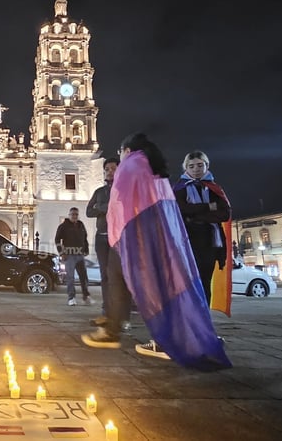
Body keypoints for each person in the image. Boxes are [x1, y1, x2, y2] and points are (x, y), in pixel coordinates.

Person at [81, 132, 231, 371]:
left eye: (120, 153)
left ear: (127, 150)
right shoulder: (154, 171)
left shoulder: (130, 166)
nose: (119, 158)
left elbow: (118, 204)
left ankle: (122, 334)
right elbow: (176, 208)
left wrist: (117, 237)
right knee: (170, 288)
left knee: (128, 283)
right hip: (160, 239)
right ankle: (188, 337)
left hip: (132, 237)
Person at [172, 151, 231, 304]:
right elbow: (180, 209)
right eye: (191, 166)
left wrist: (195, 214)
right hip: (187, 239)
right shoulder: (179, 188)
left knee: (205, 279)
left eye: (200, 165)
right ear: (186, 168)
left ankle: (203, 316)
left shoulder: (214, 188)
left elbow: (225, 213)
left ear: (206, 166)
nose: (196, 169)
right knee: (188, 280)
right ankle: (190, 316)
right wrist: (209, 207)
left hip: (209, 240)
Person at [86, 157, 126, 327]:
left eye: (113, 168)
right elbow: (89, 211)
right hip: (101, 236)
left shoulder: (124, 189)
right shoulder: (99, 191)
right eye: (107, 169)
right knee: (104, 275)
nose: (109, 171)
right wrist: (107, 207)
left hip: (118, 237)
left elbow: (122, 208)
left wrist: (101, 208)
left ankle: (121, 315)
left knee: (119, 276)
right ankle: (106, 312)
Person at [55, 207, 93, 306]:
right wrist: (62, 253)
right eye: (72, 214)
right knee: (70, 277)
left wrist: (86, 249)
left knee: (84, 277)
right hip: (69, 255)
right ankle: (71, 298)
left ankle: (86, 296)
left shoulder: (81, 225)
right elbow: (57, 240)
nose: (74, 216)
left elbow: (85, 238)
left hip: (80, 255)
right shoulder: (63, 226)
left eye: (76, 214)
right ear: (69, 215)